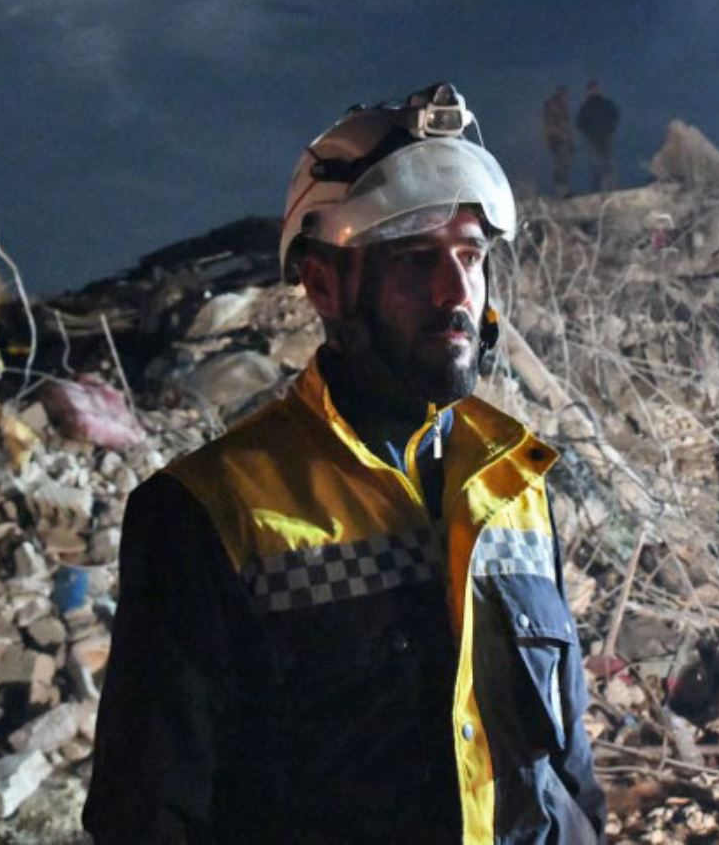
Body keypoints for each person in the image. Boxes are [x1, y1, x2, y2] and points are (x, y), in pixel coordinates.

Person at [85, 83, 605, 844]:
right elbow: (149, 817)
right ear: (325, 284)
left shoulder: (513, 485)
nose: (456, 290)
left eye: (470, 255)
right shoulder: (210, 512)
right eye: (415, 259)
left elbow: (567, 770)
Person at [574, 81, 619, 193]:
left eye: (595, 88)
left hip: (604, 137)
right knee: (597, 164)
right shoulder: (586, 106)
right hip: (594, 140)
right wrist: (590, 133)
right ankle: (599, 189)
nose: (594, 91)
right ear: (588, 91)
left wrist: (609, 129)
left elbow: (615, 115)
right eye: (592, 89)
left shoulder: (605, 103)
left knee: (607, 162)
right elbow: (579, 123)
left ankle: (610, 187)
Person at [542, 85, 576, 198]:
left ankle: (563, 190)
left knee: (563, 165)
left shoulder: (561, 107)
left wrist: (570, 141)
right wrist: (562, 136)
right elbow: (551, 125)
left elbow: (566, 126)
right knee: (561, 165)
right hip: (558, 141)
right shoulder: (554, 106)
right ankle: (561, 191)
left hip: (560, 140)